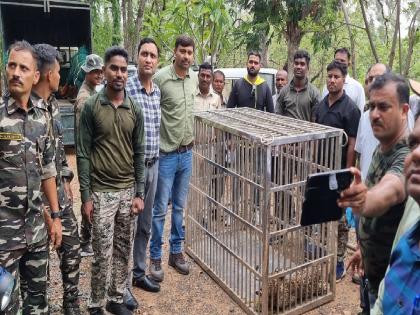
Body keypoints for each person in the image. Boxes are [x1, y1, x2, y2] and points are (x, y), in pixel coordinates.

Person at [77, 46, 145, 315]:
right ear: (104, 71)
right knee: (101, 253)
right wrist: (86, 196)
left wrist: (139, 192)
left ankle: (115, 298)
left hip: (127, 191)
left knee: (122, 248)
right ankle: (95, 304)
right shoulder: (92, 106)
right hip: (102, 192)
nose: (118, 74)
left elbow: (139, 152)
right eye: (113, 68)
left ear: (127, 74)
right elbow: (82, 152)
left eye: (123, 70)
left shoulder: (134, 108)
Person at [339, 73, 411, 309]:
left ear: (403, 110)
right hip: (371, 272)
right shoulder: (383, 147)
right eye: (371, 106)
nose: (374, 114)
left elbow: (390, 191)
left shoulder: (407, 157)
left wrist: (365, 200)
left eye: (384, 107)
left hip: (389, 286)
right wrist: (363, 250)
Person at [0, 40, 61, 314]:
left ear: (35, 76)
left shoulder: (41, 118)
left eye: (23, 68)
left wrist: (55, 216)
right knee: (6, 307)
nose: (16, 72)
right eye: (12, 65)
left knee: (38, 305)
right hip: (4, 238)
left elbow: (47, 169)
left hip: (36, 232)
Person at [32, 43, 81, 315]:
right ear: (49, 74)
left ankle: (71, 303)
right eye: (59, 71)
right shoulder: (27, 111)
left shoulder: (51, 106)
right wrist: (46, 212)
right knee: (40, 262)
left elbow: (58, 152)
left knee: (71, 249)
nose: (61, 75)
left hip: (58, 196)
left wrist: (65, 181)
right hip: (35, 201)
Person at [149, 35, 197, 282]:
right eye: (182, 51)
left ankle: (176, 253)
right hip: (165, 155)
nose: (186, 56)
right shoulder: (160, 79)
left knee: (179, 208)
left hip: (187, 154)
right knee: (159, 211)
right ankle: (155, 257)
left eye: (189, 52)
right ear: (175, 52)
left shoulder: (194, 79)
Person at [315, 60, 360, 281]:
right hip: (320, 170)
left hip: (339, 172)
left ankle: (339, 260)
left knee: (341, 221)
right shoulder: (321, 106)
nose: (332, 80)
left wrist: (347, 173)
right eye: (329, 76)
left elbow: (352, 143)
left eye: (336, 77)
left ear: (344, 79)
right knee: (322, 214)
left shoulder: (350, 108)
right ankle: (324, 253)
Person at [371, 112, 420, 315]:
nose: (415, 154)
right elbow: (384, 299)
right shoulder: (409, 238)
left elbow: (392, 187)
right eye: (414, 143)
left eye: (383, 106)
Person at [125, 38, 161, 302]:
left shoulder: (156, 91)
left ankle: (139, 272)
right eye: (144, 54)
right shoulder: (125, 89)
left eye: (152, 55)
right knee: (127, 225)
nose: (148, 59)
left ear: (157, 61)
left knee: (145, 224)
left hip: (154, 165)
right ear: (137, 58)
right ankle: (122, 283)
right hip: (131, 169)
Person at [74, 53, 103, 257]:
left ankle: (87, 238)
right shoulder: (85, 98)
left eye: (100, 71)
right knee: (89, 197)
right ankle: (85, 241)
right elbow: (86, 134)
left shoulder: (93, 92)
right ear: (87, 73)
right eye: (95, 72)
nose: (99, 75)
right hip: (89, 154)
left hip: (92, 153)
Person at [275, 50, 320, 121]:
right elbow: (277, 117)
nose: (298, 67)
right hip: (285, 131)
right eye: (296, 63)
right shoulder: (284, 91)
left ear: (308, 67)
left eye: (302, 64)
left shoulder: (314, 93)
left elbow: (315, 121)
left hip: (307, 131)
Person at [321, 48, 365, 113]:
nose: (339, 63)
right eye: (336, 61)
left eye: (342, 61)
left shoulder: (357, 88)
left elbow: (360, 114)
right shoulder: (327, 86)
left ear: (349, 64)